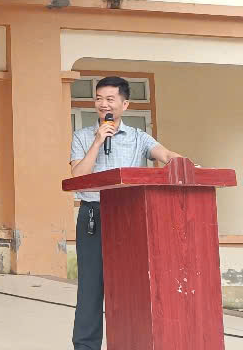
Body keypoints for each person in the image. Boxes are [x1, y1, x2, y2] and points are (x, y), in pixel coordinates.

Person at [69, 76, 185, 350]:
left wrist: (187, 164)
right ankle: (85, 347)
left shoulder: (138, 137)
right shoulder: (82, 136)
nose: (103, 104)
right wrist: (97, 142)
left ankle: (131, 342)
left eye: (110, 99)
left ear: (125, 104)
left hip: (130, 216)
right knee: (90, 287)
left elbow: (166, 155)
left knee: (131, 285)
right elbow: (78, 176)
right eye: (99, 99)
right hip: (94, 216)